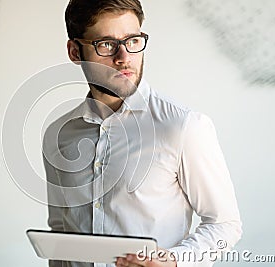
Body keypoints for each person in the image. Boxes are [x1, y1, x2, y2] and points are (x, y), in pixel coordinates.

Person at [42, 1, 242, 267]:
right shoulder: (59, 133)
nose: (123, 57)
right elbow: (61, 230)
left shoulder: (183, 127)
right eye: (106, 44)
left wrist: (173, 261)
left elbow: (225, 225)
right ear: (75, 51)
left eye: (133, 40)